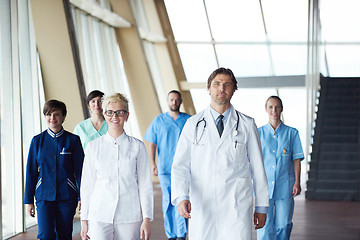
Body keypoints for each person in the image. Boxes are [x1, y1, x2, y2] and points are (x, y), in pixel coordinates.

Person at [171, 67, 269, 239]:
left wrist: (261, 206)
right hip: (203, 203)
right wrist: (181, 196)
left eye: (227, 84)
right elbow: (180, 165)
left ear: (234, 90)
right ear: (209, 88)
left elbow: (258, 168)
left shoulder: (247, 124)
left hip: (236, 204)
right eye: (216, 84)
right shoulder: (193, 124)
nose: (221, 88)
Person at [80, 93, 153, 240]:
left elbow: (145, 184)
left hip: (129, 215)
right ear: (105, 115)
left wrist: (146, 218)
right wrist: (84, 220)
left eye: (120, 112)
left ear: (126, 115)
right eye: (110, 112)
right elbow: (87, 185)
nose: (115, 116)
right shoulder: (93, 147)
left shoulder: (137, 147)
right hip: (99, 214)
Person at [24, 99, 84, 240]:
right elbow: (31, 172)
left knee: (64, 235)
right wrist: (28, 200)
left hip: (67, 196)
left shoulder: (73, 141)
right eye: (48, 114)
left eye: (56, 114)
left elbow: (81, 172)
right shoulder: (37, 141)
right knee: (46, 235)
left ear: (63, 116)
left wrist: (82, 197)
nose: (52, 118)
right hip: (43, 196)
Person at [144, 90, 191, 240]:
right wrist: (152, 163)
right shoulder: (158, 121)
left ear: (181, 101)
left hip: (184, 169)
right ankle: (171, 234)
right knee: (168, 201)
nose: (174, 102)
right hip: (165, 168)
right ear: (167, 101)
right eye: (171, 100)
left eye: (177, 100)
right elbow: (152, 143)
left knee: (182, 199)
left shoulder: (189, 120)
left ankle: (182, 234)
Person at [257, 96, 304, 240]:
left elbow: (296, 159)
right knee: (265, 226)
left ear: (281, 109)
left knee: (284, 224)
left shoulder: (292, 133)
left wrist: (297, 182)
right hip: (263, 188)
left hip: (285, 186)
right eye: (270, 107)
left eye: (277, 107)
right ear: (266, 109)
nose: (274, 110)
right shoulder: (258, 133)